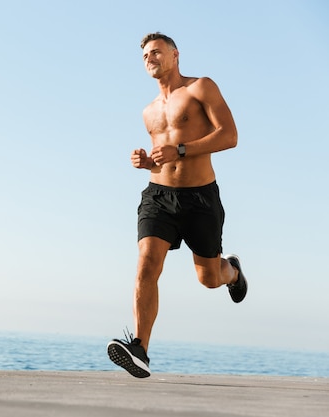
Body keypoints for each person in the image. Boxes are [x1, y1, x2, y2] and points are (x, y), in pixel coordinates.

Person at [106, 32, 248, 378]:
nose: (149, 58)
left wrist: (180, 150)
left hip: (200, 197)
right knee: (146, 263)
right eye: (144, 56)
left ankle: (232, 271)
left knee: (208, 278)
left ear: (175, 55)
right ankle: (140, 349)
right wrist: (147, 162)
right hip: (158, 197)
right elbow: (163, 160)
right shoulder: (148, 111)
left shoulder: (201, 88)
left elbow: (230, 136)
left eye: (156, 52)